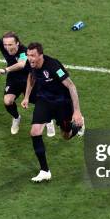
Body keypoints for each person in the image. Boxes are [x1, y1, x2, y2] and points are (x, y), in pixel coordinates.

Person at [21, 43, 84, 182]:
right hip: (44, 100)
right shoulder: (30, 64)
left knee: (66, 135)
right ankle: (44, 170)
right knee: (35, 132)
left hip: (62, 103)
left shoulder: (53, 65)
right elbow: (31, 77)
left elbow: (71, 85)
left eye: (33, 55)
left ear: (40, 55)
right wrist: (26, 97)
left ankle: (78, 125)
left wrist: (77, 111)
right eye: (28, 55)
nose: (30, 58)